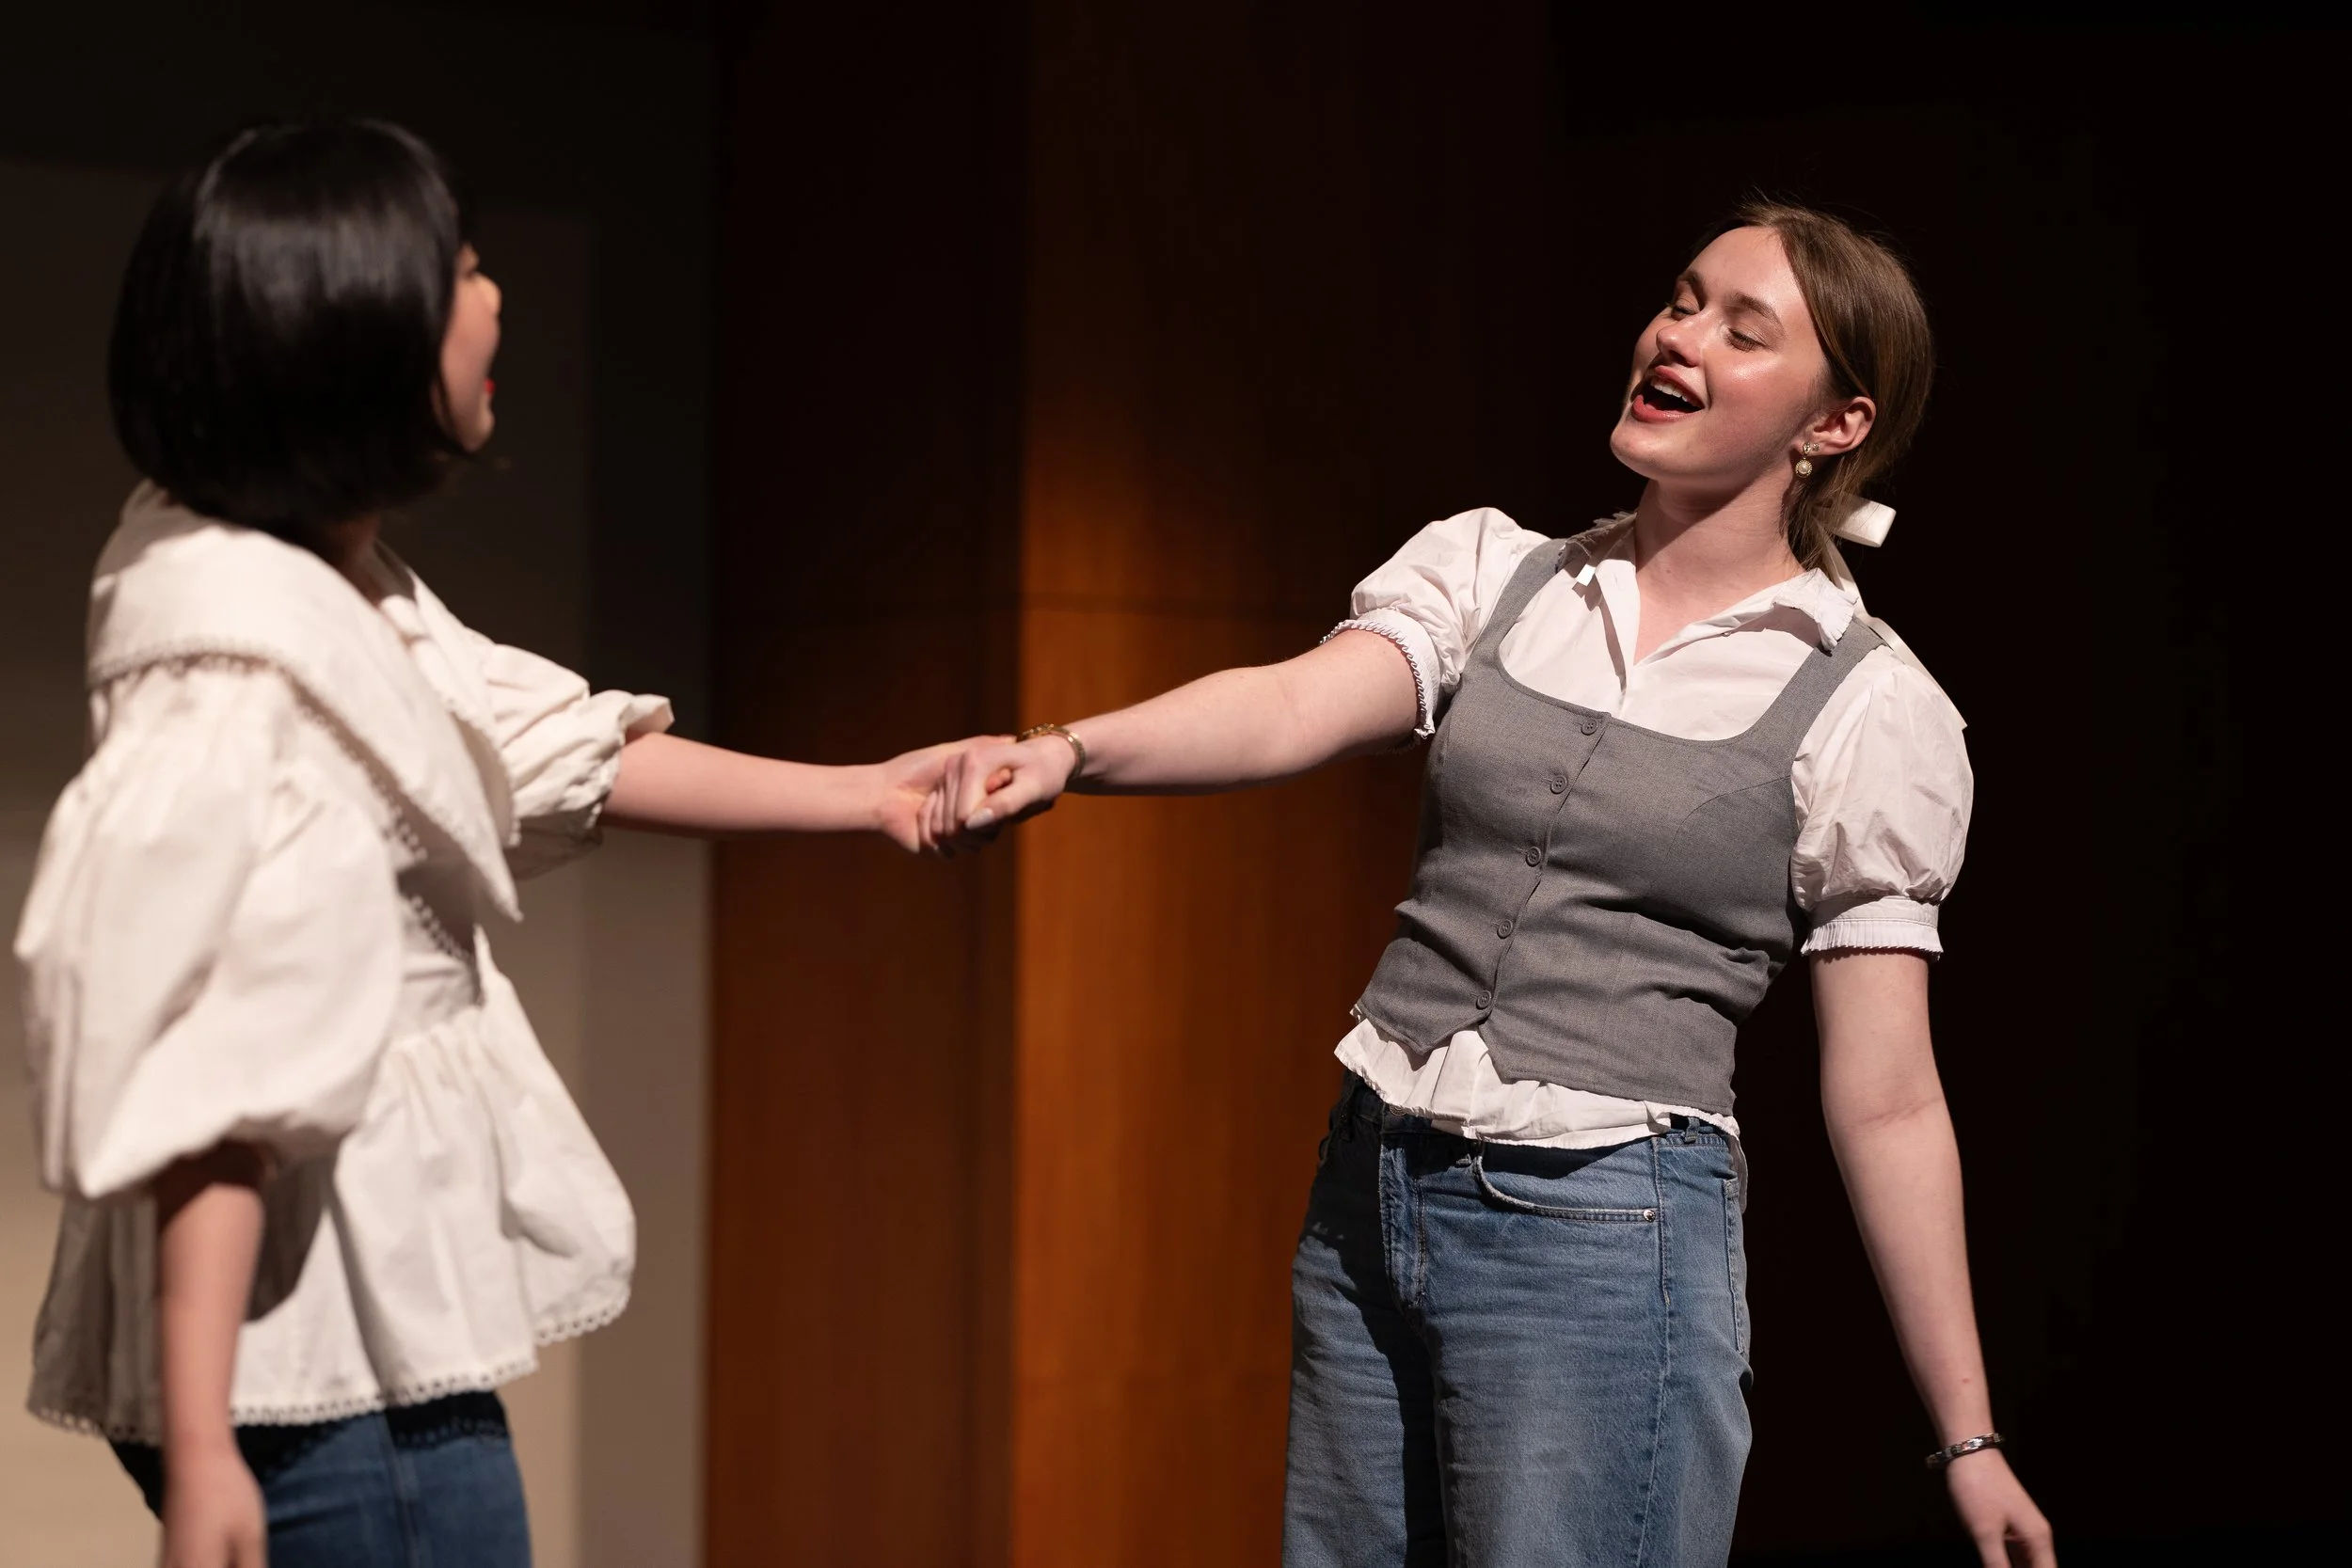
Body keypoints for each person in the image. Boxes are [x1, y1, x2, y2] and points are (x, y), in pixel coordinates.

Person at [925, 204, 2057, 1567]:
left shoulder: (1870, 707)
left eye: (1741, 329)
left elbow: (1884, 1092)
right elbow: (1292, 707)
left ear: (1834, 425)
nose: (1677, 335)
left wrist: (1969, 1433)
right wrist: (1071, 751)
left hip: (1600, 1226)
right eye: (1682, 299)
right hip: (1372, 1186)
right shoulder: (1496, 572)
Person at [15, 119, 955, 1568]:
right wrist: (203, 1442)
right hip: (318, 1352)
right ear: (348, 339)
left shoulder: (301, 571)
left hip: (328, 1321)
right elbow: (216, 1073)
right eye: (456, 271)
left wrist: (871, 791)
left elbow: (539, 747)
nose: (493, 299)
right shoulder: (249, 670)